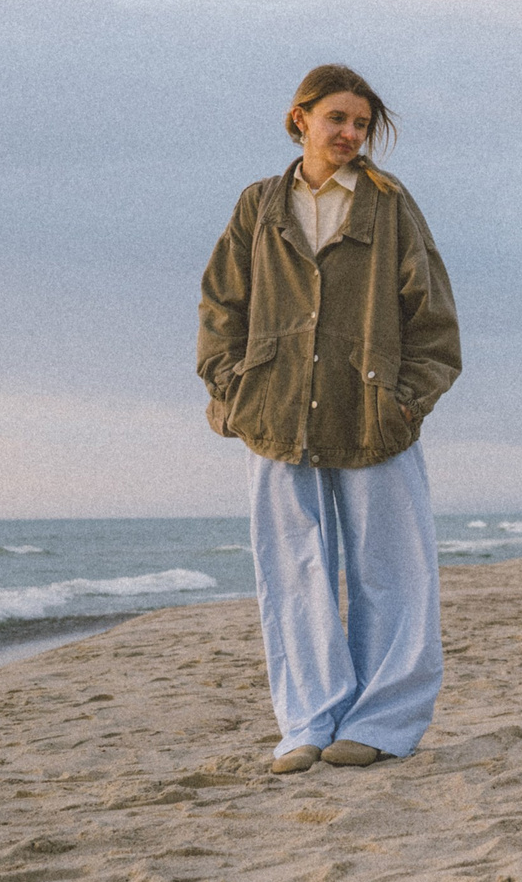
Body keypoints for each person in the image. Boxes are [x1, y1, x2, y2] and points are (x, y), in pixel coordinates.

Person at [197, 64, 462, 775]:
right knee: (293, 570)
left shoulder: (390, 204)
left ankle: (384, 722)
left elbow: (433, 319)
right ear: (300, 118)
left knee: (394, 570)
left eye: (361, 123)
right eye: (338, 118)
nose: (350, 133)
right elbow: (221, 304)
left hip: (377, 416)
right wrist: (232, 395)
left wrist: (407, 401)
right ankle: (307, 723)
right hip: (277, 415)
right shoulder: (259, 205)